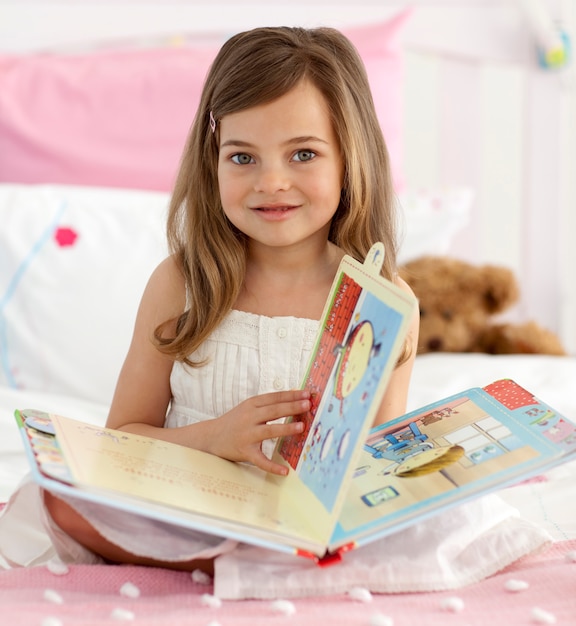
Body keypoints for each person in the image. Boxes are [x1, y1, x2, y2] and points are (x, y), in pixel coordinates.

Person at [4, 25, 419, 573]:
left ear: (350, 159)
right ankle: (247, 565)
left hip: (308, 526)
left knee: (424, 525)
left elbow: (378, 463)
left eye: (302, 154)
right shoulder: (182, 283)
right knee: (58, 501)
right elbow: (122, 439)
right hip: (187, 508)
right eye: (243, 158)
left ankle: (259, 563)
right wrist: (215, 438)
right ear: (213, 161)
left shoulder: (384, 300)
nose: (271, 181)